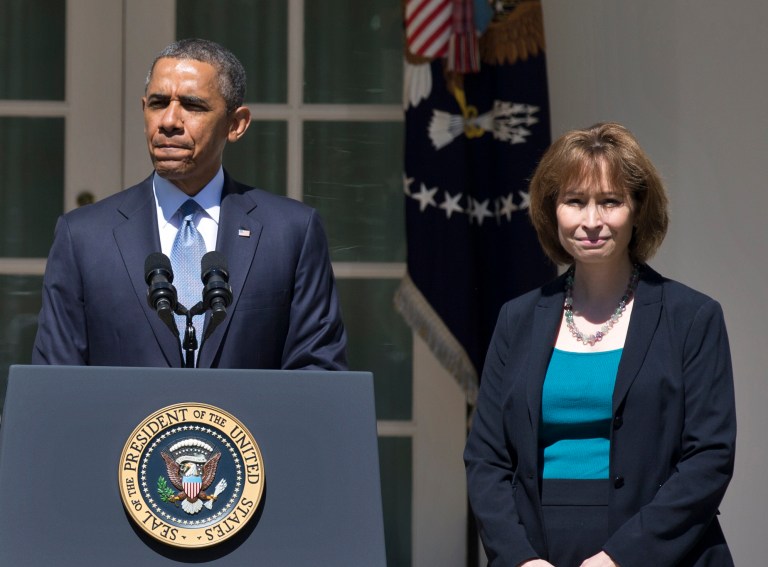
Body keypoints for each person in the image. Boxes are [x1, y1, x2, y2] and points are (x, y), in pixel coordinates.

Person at [464, 122, 735, 566]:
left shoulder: (693, 317)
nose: (592, 221)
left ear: (638, 209)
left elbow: (709, 458)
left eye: (610, 202)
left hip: (660, 555)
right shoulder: (516, 320)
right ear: (553, 210)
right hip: (538, 555)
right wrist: (519, 558)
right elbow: (486, 458)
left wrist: (620, 558)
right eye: (575, 202)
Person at [32, 38, 347, 370]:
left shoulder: (291, 233)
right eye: (158, 103)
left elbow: (317, 371)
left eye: (192, 105)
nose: (168, 121)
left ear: (236, 124)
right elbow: (56, 379)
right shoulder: (82, 237)